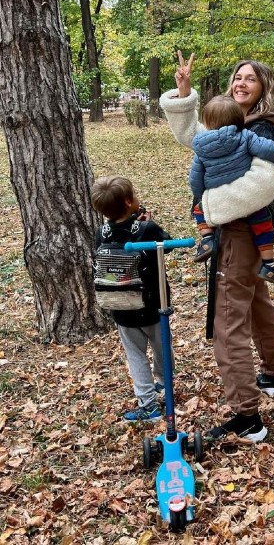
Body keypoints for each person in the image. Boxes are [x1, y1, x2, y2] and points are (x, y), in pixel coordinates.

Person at [160, 53, 274, 442]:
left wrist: (209, 209)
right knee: (257, 301)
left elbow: (261, 188)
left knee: (228, 320)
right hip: (241, 235)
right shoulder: (234, 124)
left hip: (237, 233)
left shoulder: (262, 130)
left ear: (264, 87)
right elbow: (194, 137)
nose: (241, 82)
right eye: (238, 77)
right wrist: (184, 95)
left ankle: (247, 415)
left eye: (251, 78)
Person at [91, 176, 173, 423]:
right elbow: (166, 245)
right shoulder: (146, 229)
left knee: (135, 355)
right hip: (153, 306)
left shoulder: (101, 233)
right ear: (129, 202)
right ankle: (164, 382)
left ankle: (147, 404)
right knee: (162, 346)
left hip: (121, 306)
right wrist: (151, 225)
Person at [190, 95, 274, 285]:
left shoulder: (201, 146)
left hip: (217, 197)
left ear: (207, 123)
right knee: (263, 223)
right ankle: (269, 264)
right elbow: (267, 148)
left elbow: (195, 178)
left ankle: (207, 238)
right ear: (239, 120)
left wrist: (202, 196)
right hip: (246, 200)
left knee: (199, 210)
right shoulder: (245, 136)